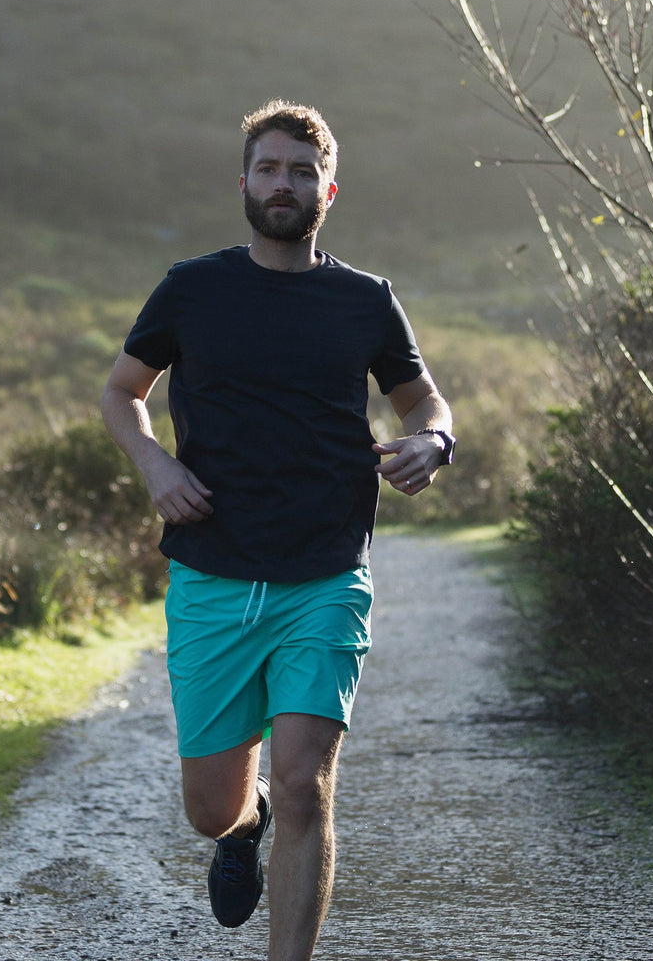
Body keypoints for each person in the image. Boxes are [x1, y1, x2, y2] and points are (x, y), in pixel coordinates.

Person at [100, 98, 454, 961]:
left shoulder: (365, 300)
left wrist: (434, 442)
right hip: (214, 572)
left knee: (306, 784)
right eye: (269, 168)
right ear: (246, 182)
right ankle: (239, 824)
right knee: (211, 807)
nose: (284, 184)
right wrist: (158, 467)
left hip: (327, 573)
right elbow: (121, 393)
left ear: (327, 189)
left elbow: (424, 400)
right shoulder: (193, 287)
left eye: (302, 171)